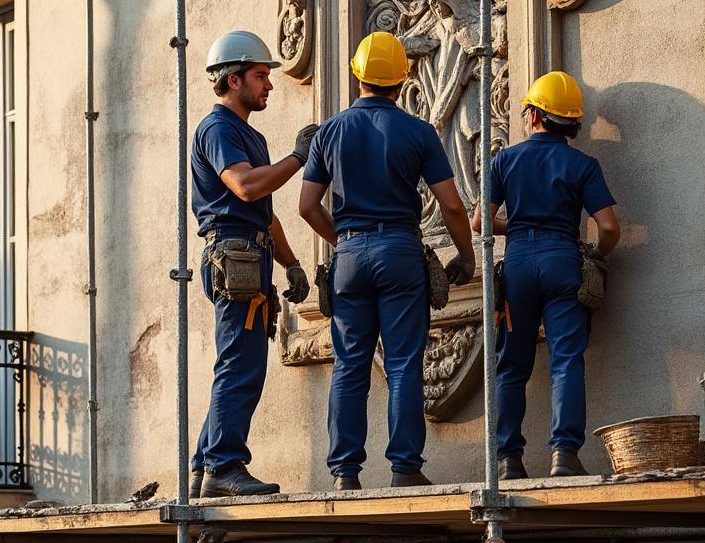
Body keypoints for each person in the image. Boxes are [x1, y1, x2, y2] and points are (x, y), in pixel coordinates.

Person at [298, 31, 475, 491]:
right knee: (403, 363)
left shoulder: (329, 132)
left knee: (350, 365)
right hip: (400, 251)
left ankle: (344, 473)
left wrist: (344, 240)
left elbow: (307, 206)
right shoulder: (419, 132)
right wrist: (465, 254)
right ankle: (405, 468)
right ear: (403, 77)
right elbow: (452, 206)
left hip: (350, 257)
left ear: (357, 75)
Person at [474, 70, 620, 479]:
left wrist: (519, 227)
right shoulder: (583, 165)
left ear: (535, 115)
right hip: (563, 260)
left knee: (511, 366)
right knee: (566, 360)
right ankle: (564, 455)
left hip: (519, 264)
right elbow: (609, 228)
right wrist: (597, 256)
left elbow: (479, 222)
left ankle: (508, 460)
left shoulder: (504, 160)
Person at [190, 30, 314, 497]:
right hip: (235, 253)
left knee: (239, 362)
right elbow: (245, 187)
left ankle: (203, 468)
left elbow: (264, 211)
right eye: (261, 76)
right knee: (240, 365)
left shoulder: (249, 135)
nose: (269, 85)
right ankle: (224, 466)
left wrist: (291, 262)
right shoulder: (218, 128)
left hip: (251, 250)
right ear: (233, 79)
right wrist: (297, 158)